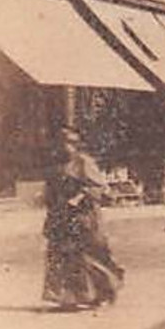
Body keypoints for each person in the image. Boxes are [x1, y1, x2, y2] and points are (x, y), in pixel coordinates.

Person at [42, 126, 125, 311]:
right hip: (61, 215)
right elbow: (51, 188)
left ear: (76, 145)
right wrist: (50, 204)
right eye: (61, 142)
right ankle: (68, 298)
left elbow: (97, 187)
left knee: (89, 257)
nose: (65, 147)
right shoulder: (56, 164)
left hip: (83, 215)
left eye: (70, 142)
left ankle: (106, 291)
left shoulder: (84, 162)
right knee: (61, 256)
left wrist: (78, 198)